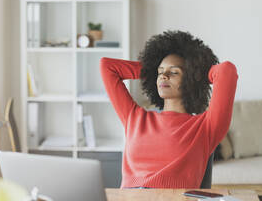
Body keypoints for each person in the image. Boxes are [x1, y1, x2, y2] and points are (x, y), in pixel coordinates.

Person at [100, 30, 238, 188]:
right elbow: (107, 66)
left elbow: (227, 71)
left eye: (174, 72)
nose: (163, 76)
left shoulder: (206, 127)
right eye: (160, 72)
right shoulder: (135, 117)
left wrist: (196, 71)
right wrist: (150, 69)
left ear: (191, 79)